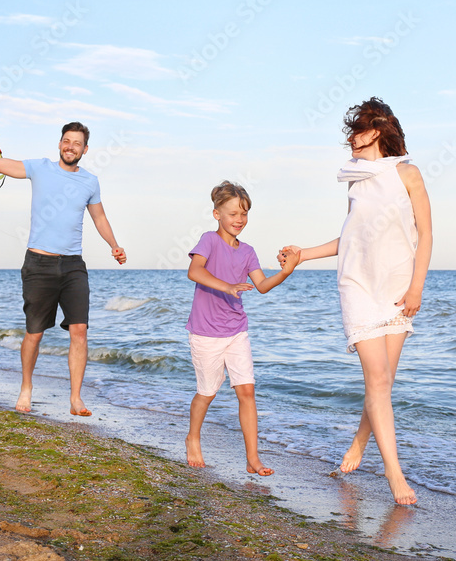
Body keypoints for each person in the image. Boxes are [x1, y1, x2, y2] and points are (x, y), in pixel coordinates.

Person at [280, 97, 431, 505]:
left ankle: (360, 444)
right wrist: (303, 254)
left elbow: (427, 235)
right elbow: (351, 236)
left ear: (377, 132)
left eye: (358, 131)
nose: (351, 139)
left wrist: (416, 287)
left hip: (398, 285)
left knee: (383, 383)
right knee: (377, 381)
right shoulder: (356, 178)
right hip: (358, 285)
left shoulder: (409, 174)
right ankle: (393, 473)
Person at [0, 118, 126, 416]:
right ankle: (26, 387)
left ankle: (76, 398)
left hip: (74, 265)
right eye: (67, 140)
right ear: (60, 143)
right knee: (35, 333)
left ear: (85, 149)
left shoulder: (90, 182)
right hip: (39, 264)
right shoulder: (40, 168)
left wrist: (113, 244)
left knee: (79, 330)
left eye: (77, 143)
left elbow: (99, 217)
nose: (70, 146)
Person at [185, 181, 300, 476]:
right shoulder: (209, 240)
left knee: (246, 391)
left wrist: (285, 272)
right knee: (207, 392)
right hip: (206, 331)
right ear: (216, 214)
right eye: (233, 213)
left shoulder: (247, 250)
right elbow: (194, 271)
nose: (239, 220)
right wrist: (228, 286)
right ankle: (193, 437)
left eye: (244, 214)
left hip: (236, 329)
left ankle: (253, 458)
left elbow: (261, 285)